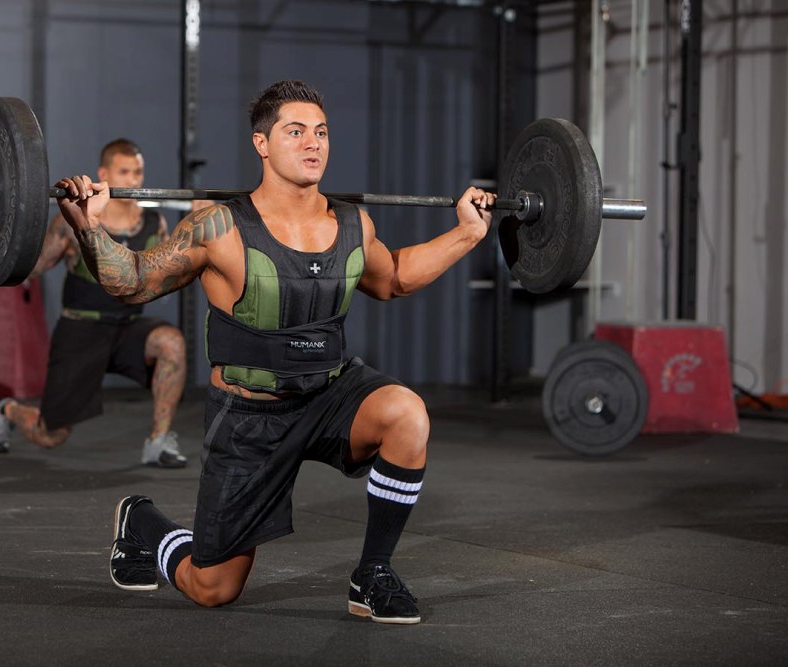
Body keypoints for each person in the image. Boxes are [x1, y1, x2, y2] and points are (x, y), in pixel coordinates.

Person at [54, 80, 496, 624]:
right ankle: (142, 522)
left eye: (321, 132)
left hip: (328, 394)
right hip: (248, 419)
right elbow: (134, 282)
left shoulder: (353, 224)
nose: (313, 143)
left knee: (406, 413)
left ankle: (372, 573)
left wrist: (468, 235)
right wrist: (88, 225)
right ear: (262, 144)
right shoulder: (218, 226)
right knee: (213, 588)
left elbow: (396, 277)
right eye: (295, 131)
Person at [0, 138, 190, 468]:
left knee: (171, 343)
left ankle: (158, 441)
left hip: (127, 327)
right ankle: (9, 411)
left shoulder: (155, 224)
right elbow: (32, 267)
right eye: (125, 172)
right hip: (81, 328)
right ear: (104, 174)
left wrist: (201, 225)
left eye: (138, 172)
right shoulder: (70, 221)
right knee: (50, 435)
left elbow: (167, 275)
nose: (134, 181)